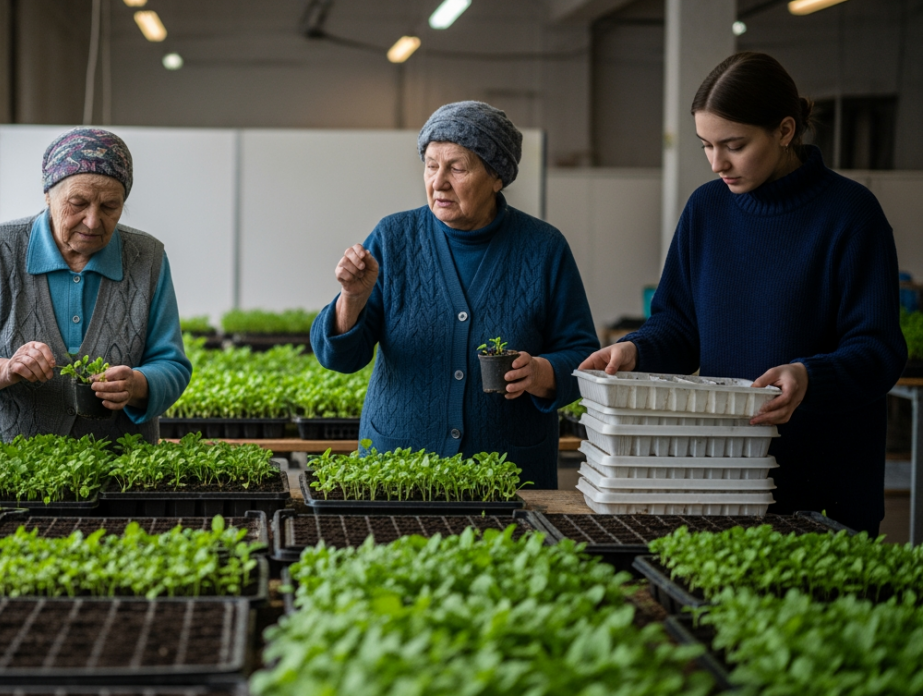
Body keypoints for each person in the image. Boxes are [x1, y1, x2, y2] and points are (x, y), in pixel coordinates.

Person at [580, 52, 906, 534]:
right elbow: (680, 325)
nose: (717, 163)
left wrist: (809, 376)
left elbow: (879, 351)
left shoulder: (851, 215)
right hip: (724, 478)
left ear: (786, 130)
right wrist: (637, 348)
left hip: (826, 484)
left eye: (734, 145)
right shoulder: (707, 210)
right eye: (706, 146)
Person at [310, 101, 600, 488]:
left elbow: (583, 355)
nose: (439, 182)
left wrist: (542, 373)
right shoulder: (394, 238)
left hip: (509, 474)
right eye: (431, 165)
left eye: (457, 168)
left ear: (497, 177)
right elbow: (338, 358)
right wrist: (352, 298)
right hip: (399, 468)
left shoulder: (543, 248)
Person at [0, 127, 191, 443]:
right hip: (7, 466)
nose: (93, 221)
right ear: (47, 195)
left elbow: (172, 364)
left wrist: (137, 384)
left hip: (117, 467)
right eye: (78, 203)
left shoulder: (147, 258)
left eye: (110, 206)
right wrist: (5, 369)